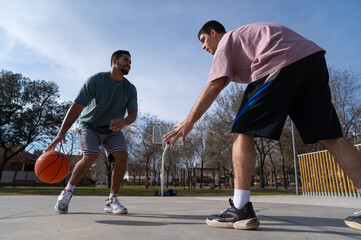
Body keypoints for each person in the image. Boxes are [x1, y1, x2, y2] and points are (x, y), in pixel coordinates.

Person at [163, 20, 361, 231]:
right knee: (331, 136)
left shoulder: (226, 41)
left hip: (282, 61)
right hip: (312, 61)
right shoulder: (245, 38)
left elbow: (215, 83)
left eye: (203, 40)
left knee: (240, 129)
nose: (204, 47)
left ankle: (240, 208)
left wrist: (188, 121)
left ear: (214, 33)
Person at [46, 50, 137, 214]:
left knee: (122, 156)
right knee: (91, 156)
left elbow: (132, 114)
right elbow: (76, 107)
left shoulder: (130, 89)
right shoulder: (96, 81)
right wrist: (61, 133)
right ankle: (66, 193)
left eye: (130, 62)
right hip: (89, 125)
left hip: (112, 128)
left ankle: (112, 200)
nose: (129, 64)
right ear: (114, 61)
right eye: (125, 60)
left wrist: (123, 122)